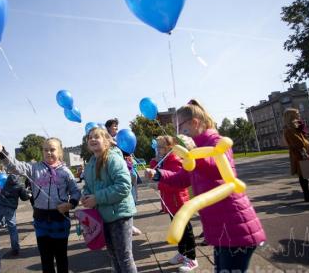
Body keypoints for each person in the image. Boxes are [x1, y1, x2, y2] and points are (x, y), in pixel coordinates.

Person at [145, 100, 266, 273]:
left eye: (180, 127)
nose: (177, 133)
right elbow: (183, 178)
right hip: (218, 226)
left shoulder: (216, 140)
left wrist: (193, 153)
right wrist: (159, 174)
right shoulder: (196, 147)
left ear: (194, 122)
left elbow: (221, 169)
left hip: (234, 225)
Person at [0, 137, 81, 273]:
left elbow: (75, 191)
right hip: (41, 220)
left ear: (60, 152)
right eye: (46, 150)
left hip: (60, 220)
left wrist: (70, 204)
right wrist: (1, 151)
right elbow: (15, 166)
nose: (49, 152)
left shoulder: (65, 172)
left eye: (52, 149)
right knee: (46, 259)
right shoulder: (34, 169)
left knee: (61, 258)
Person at [82, 127, 137, 273]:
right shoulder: (90, 164)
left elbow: (124, 185)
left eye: (97, 137)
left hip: (119, 216)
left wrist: (97, 198)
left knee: (124, 257)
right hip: (103, 216)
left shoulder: (113, 159)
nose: (92, 139)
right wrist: (86, 195)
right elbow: (88, 186)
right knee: (113, 256)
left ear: (107, 141)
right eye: (90, 137)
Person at [148, 135, 196, 267]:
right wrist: (154, 163)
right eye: (156, 146)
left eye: (161, 147)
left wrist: (159, 185)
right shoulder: (162, 160)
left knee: (186, 230)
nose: (158, 149)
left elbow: (177, 183)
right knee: (177, 229)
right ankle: (182, 253)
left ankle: (192, 258)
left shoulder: (174, 160)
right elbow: (157, 173)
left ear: (170, 148)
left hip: (179, 201)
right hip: (170, 201)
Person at [105, 118, 142, 236]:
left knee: (133, 196)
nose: (116, 128)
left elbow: (129, 151)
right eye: (114, 126)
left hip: (130, 169)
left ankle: (130, 224)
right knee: (125, 197)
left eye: (116, 126)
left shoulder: (121, 137)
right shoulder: (106, 141)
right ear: (108, 128)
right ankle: (127, 226)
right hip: (119, 172)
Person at [0, 174, 31, 256]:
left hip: (0, 204)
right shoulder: (19, 185)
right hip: (10, 208)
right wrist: (29, 194)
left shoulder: (6, 182)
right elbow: (24, 198)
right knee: (12, 228)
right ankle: (15, 249)